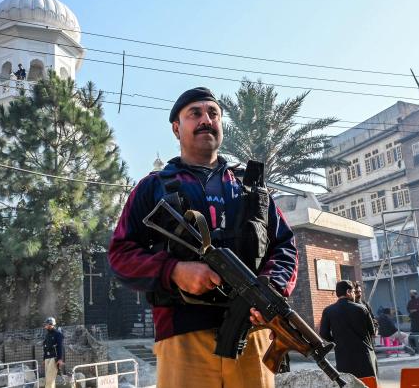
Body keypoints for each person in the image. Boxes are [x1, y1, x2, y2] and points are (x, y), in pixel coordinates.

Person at [108, 87, 298, 388]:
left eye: (213, 114)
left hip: (252, 335)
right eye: (194, 114)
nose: (206, 120)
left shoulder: (251, 191)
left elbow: (285, 245)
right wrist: (174, 271)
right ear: (176, 128)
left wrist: (271, 288)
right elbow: (120, 255)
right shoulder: (153, 188)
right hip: (183, 338)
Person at [319, 280, 377, 378]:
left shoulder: (328, 311)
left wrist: (335, 339)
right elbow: (372, 332)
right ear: (348, 292)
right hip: (364, 357)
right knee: (368, 383)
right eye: (354, 292)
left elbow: (323, 333)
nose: (354, 295)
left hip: (343, 358)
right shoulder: (362, 309)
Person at [42, 317, 64, 388]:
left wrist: (60, 359)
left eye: (47, 324)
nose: (45, 326)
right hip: (47, 358)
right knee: (48, 379)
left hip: (54, 358)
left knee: (49, 380)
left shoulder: (58, 334)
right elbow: (45, 347)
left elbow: (60, 347)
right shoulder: (47, 335)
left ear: (51, 324)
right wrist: (44, 359)